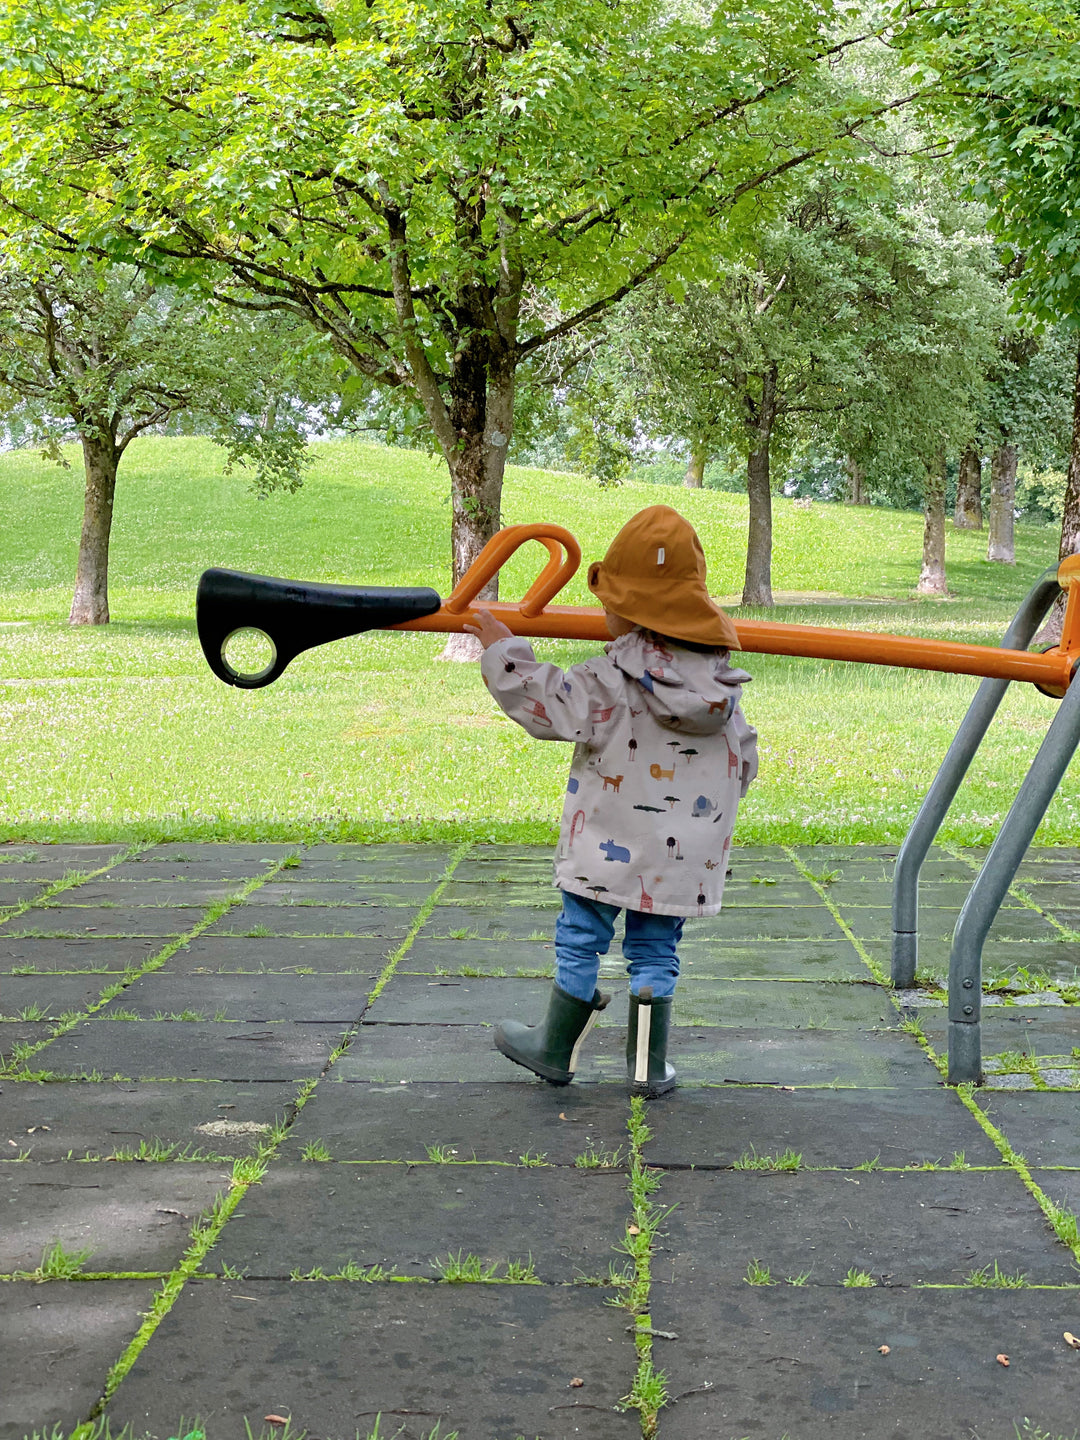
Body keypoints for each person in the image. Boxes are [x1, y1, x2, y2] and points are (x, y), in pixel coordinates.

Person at [463, 504, 757, 1097]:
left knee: (581, 935)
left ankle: (555, 1047)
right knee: (655, 947)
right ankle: (647, 1064)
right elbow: (744, 764)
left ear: (625, 614)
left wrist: (502, 648)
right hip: (680, 860)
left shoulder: (609, 679)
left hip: (606, 847)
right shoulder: (722, 694)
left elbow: (543, 702)